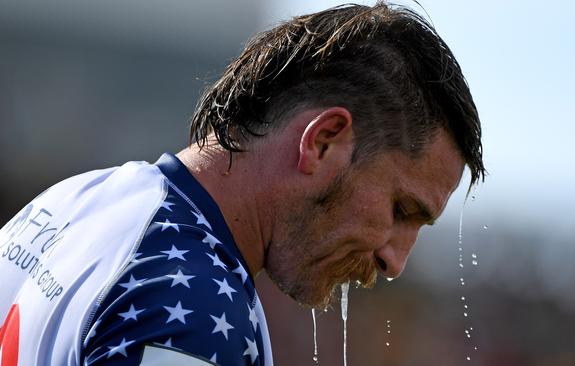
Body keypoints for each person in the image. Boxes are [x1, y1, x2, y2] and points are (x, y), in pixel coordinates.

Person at [0, 2, 485, 365]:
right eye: (402, 210)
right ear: (323, 141)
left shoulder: (72, 200)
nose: (395, 261)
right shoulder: (196, 308)